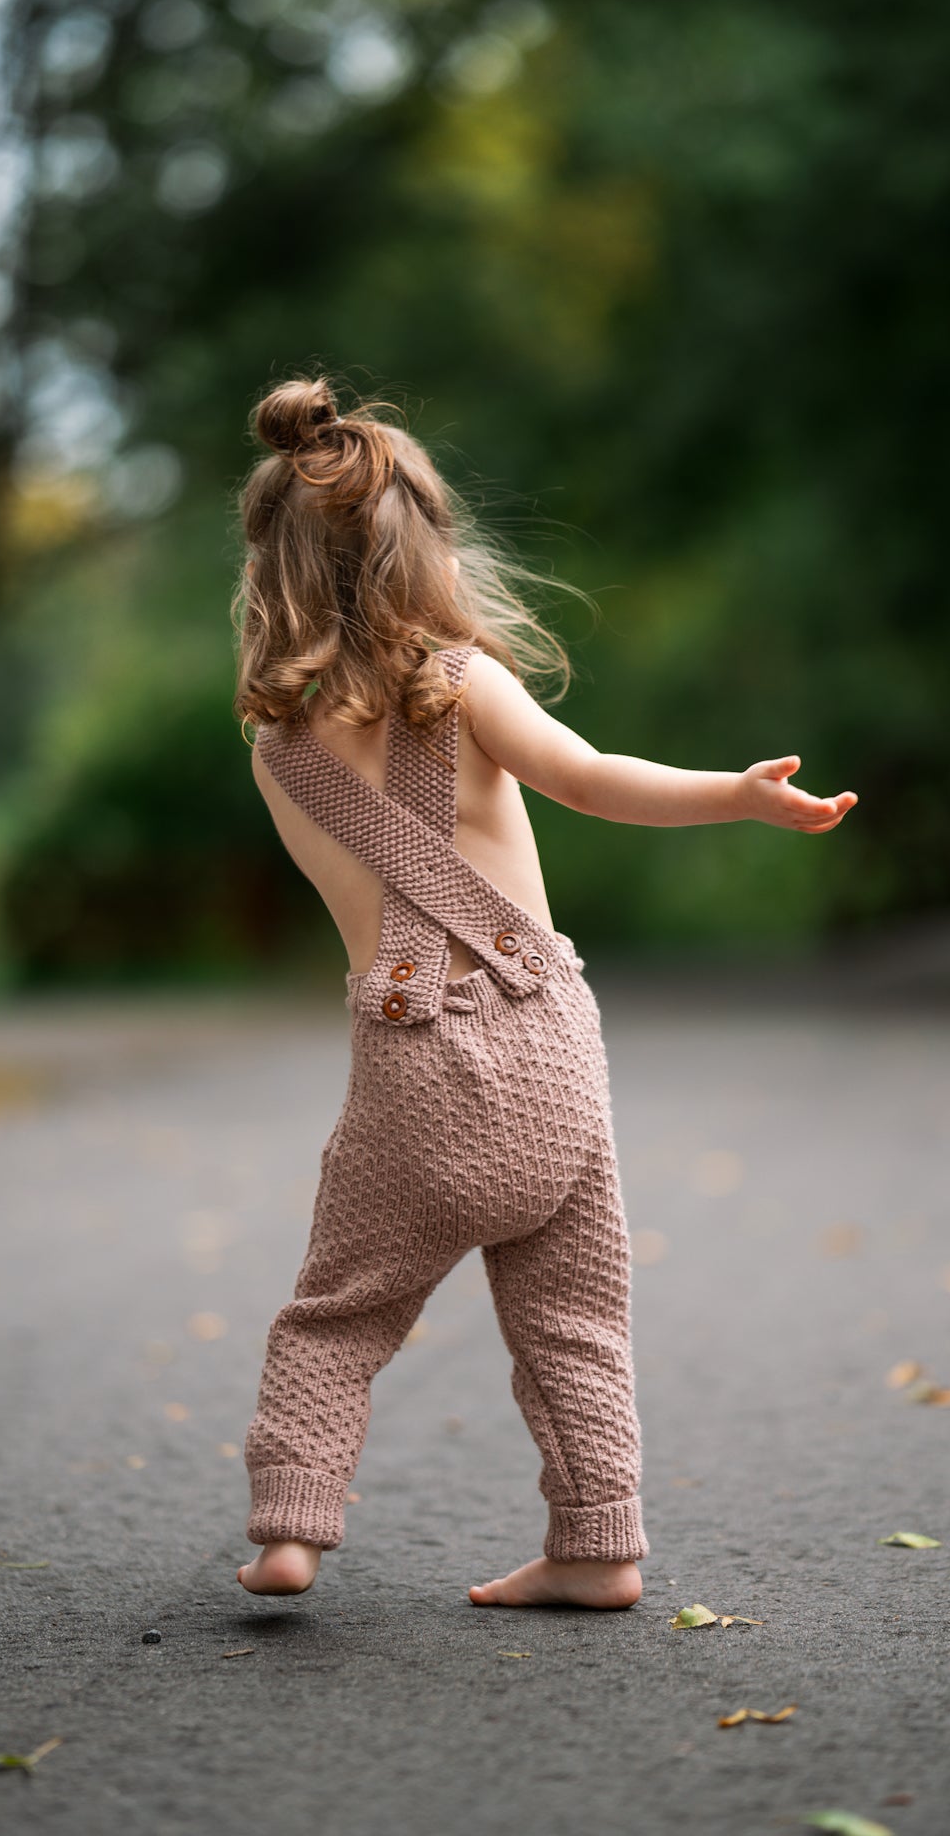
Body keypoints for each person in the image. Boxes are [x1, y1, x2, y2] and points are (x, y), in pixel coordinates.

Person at [231, 375, 857, 1610]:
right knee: (575, 1314)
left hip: (411, 1068)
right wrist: (735, 791)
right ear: (425, 547)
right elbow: (585, 777)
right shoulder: (458, 680)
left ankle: (291, 1531)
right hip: (550, 1053)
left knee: (336, 1316)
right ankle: (599, 1543)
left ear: (272, 572)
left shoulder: (276, 745)